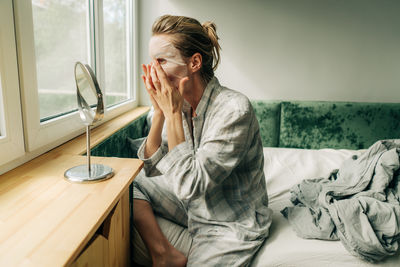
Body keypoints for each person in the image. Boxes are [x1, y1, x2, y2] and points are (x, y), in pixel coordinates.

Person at [133, 14, 272, 267]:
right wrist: (159, 113)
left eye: (161, 61)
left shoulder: (234, 110)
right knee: (128, 184)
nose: (155, 72)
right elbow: (152, 167)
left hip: (229, 222)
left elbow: (189, 186)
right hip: (193, 208)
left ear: (194, 62)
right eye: (152, 62)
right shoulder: (181, 104)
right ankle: (163, 254)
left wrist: (173, 114)